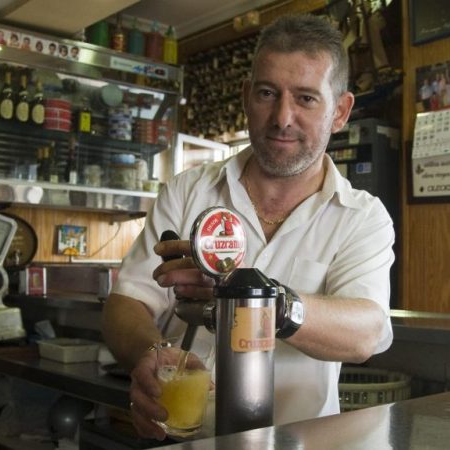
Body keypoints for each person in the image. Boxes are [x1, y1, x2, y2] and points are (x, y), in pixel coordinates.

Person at [103, 13, 394, 441]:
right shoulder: (188, 191)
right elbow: (126, 303)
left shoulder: (362, 216)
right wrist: (151, 354)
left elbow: (366, 332)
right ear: (246, 96)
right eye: (267, 92)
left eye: (307, 99)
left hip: (295, 441)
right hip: (179, 437)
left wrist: (263, 302)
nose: (282, 117)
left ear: (340, 111)